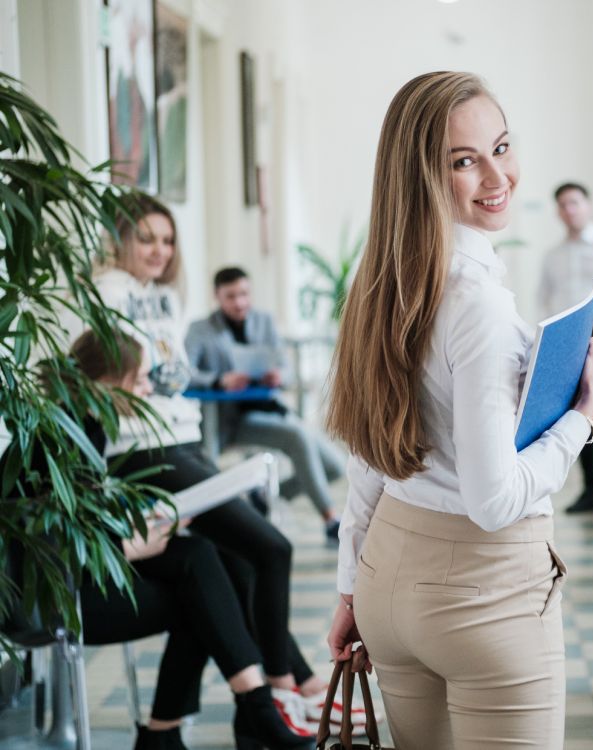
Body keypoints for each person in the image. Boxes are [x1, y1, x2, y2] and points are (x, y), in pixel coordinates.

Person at [324, 71, 593, 750]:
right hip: (482, 593)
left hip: (388, 580)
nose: (496, 174)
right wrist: (584, 414)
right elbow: (494, 499)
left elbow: (370, 457)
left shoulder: (381, 283)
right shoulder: (476, 304)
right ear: (421, 173)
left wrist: (349, 591)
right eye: (463, 160)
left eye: (502, 147)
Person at [84, 193, 327, 738]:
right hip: (142, 450)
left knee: (236, 564)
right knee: (272, 547)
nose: (158, 250)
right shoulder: (106, 294)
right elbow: (125, 375)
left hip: (183, 440)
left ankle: (243, 715)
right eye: (145, 238)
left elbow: (178, 376)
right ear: (120, 238)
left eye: (167, 240)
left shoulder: (165, 296)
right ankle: (284, 686)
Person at [2, 330, 313, 750]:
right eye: (141, 379)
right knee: (201, 597)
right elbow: (53, 544)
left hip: (81, 576)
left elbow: (81, 520)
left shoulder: (81, 424)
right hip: (58, 598)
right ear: (107, 381)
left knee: (204, 556)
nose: (149, 389)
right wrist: (130, 545)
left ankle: (232, 711)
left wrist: (138, 529)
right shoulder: (59, 437)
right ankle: (228, 714)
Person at [185, 266, 345, 541]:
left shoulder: (264, 322)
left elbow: (287, 369)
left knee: (335, 467)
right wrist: (220, 380)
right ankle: (330, 518)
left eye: (244, 294)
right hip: (228, 420)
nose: (239, 302)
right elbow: (185, 374)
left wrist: (278, 376)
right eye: (231, 296)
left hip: (270, 410)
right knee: (297, 436)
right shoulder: (200, 330)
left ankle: (265, 496)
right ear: (217, 296)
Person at [538, 183, 593, 513]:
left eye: (575, 203)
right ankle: (591, 488)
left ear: (587, 205)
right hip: (571, 341)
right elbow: (545, 298)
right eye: (563, 205)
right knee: (580, 408)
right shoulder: (553, 255)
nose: (570, 210)